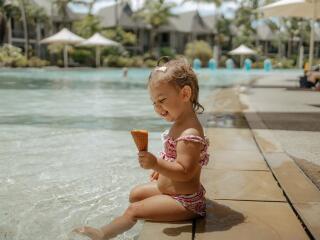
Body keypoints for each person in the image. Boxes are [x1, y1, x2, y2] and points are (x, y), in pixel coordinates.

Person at [73, 57, 210, 240]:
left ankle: (102, 234)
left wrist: (156, 164)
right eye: (154, 102)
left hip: (186, 201)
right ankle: (150, 213)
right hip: (172, 190)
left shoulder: (189, 132)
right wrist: (161, 172)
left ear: (185, 94)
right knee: (136, 194)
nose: (157, 107)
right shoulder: (180, 122)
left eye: (161, 100)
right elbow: (174, 159)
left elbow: (185, 172)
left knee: (133, 210)